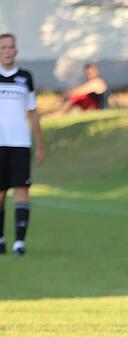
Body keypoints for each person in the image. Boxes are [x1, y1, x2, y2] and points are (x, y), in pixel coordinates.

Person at [0, 33, 45, 256]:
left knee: (21, 190)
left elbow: (33, 112)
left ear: (16, 50)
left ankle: (19, 242)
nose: (7, 51)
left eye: (10, 47)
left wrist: (40, 145)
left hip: (20, 143)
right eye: (3, 47)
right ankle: (0, 238)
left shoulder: (25, 77)